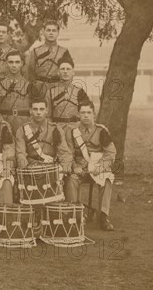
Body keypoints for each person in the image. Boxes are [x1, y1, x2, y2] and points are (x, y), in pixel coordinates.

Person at [65, 101, 116, 231]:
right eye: (83, 113)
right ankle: (76, 215)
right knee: (72, 179)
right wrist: (74, 166)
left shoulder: (101, 131)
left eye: (89, 112)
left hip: (97, 167)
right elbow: (68, 154)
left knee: (107, 179)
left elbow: (110, 153)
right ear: (78, 114)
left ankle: (103, 217)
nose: (86, 116)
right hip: (80, 168)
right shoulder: (72, 131)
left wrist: (100, 167)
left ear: (94, 114)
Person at [15, 99, 72, 172]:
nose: (38, 112)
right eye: (35, 109)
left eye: (42, 109)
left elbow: (64, 152)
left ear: (47, 111)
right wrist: (24, 166)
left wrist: (66, 165)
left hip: (51, 167)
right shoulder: (22, 130)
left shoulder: (55, 129)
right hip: (31, 168)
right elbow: (20, 153)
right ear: (30, 111)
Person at [25, 20, 73, 96]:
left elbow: (69, 71)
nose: (51, 33)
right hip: (39, 88)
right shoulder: (35, 51)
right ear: (43, 32)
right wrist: (34, 87)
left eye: (54, 31)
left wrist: (65, 87)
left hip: (58, 87)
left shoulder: (64, 51)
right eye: (48, 30)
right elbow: (30, 71)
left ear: (58, 33)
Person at [0, 50, 31, 136]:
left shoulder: (29, 85)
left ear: (22, 63)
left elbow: (33, 109)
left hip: (24, 126)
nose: (14, 65)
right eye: (11, 62)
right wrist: (3, 125)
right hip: (4, 125)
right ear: (6, 63)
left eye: (17, 62)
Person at [46, 58, 90, 130]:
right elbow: (47, 116)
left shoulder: (80, 91)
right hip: (57, 129)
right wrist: (52, 130)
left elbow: (86, 113)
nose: (65, 71)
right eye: (62, 69)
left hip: (76, 129)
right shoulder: (50, 92)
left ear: (73, 72)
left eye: (68, 69)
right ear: (58, 72)